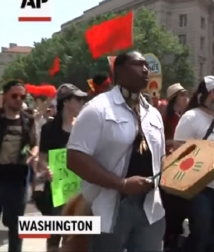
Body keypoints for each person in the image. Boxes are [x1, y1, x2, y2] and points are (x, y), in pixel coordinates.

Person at [66, 51, 166, 252]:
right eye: (138, 64)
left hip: (150, 208)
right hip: (107, 208)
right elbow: (74, 158)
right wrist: (121, 184)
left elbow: (160, 157)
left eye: (146, 65)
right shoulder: (97, 109)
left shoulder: (153, 114)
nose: (145, 69)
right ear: (118, 70)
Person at [0, 80, 38, 252]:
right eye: (14, 96)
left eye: (22, 96)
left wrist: (34, 154)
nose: (18, 99)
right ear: (5, 96)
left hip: (18, 183)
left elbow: (34, 143)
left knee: (17, 227)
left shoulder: (28, 120)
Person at [174, 75, 214, 252]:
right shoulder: (190, 118)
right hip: (201, 188)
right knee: (201, 234)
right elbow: (179, 152)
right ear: (210, 93)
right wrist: (206, 154)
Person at [35, 84, 87, 251]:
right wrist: (45, 169)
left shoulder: (83, 128)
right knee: (53, 237)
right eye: (77, 99)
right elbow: (42, 159)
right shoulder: (48, 129)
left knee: (73, 238)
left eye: (82, 99)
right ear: (65, 102)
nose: (82, 102)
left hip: (79, 191)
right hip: (56, 191)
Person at [161, 83, 189, 251]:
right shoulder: (165, 118)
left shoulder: (185, 116)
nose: (186, 99)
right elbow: (159, 141)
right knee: (170, 203)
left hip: (183, 165)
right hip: (168, 164)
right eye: (183, 96)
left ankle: (175, 231)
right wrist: (175, 143)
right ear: (175, 99)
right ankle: (169, 236)